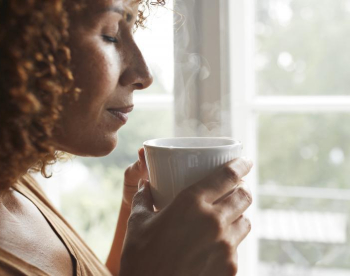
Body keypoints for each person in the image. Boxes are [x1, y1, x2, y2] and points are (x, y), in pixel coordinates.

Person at [0, 0, 253, 275]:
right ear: (19, 44)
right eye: (110, 35)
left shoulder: (16, 186)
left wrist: (134, 217)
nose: (144, 75)